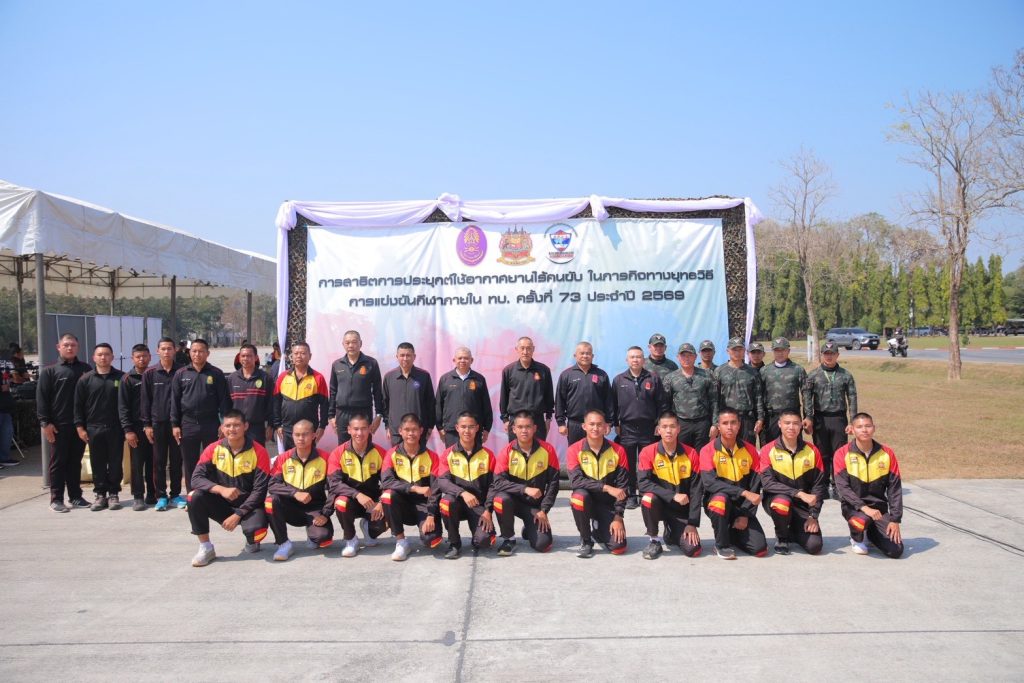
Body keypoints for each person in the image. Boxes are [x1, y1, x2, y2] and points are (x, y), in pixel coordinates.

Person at [187, 410, 270, 567]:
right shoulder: (213, 449)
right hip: (222, 504)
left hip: (250, 507)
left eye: (237, 425)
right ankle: (206, 547)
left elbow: (260, 491)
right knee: (194, 497)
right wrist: (220, 489)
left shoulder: (259, 451)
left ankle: (251, 539)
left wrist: (238, 514)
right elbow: (196, 479)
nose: (232, 429)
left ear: (245, 426)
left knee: (256, 532)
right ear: (222, 428)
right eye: (228, 425)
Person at [488, 411, 560, 556]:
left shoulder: (548, 450)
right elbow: (498, 483)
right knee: (500, 499)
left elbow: (554, 484)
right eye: (520, 427)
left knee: (543, 545)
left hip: (535, 507)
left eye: (528, 427)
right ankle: (508, 538)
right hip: (512, 503)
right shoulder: (506, 452)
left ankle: (529, 528)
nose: (524, 430)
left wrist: (544, 510)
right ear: (514, 429)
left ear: (534, 428)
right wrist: (525, 489)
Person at [699, 408, 767, 559]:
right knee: (720, 499)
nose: (729, 427)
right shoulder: (707, 450)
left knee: (760, 550)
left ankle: (731, 531)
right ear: (718, 426)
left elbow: (755, 486)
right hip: (718, 503)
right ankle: (721, 545)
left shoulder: (750, 450)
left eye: (733, 423)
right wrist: (742, 492)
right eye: (725, 423)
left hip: (743, 507)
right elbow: (710, 483)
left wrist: (745, 515)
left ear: (739, 425)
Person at [834, 413, 904, 558]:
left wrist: (895, 519)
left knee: (896, 550)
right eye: (859, 427)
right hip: (853, 508)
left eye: (868, 426)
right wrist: (865, 508)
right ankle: (857, 538)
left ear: (874, 428)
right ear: (852, 429)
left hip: (878, 510)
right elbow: (843, 488)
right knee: (861, 520)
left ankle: (871, 533)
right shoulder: (842, 453)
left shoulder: (887, 453)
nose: (864, 430)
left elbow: (894, 489)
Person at [757, 410, 826, 555]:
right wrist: (798, 493)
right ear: (779, 424)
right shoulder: (767, 450)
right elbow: (768, 484)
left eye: (795, 423)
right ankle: (782, 537)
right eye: (787, 423)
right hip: (777, 500)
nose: (791, 427)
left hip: (803, 506)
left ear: (801, 426)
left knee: (815, 546)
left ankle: (793, 529)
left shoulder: (812, 450)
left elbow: (818, 486)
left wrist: (813, 516)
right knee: (782, 503)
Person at [37, 333, 92, 512]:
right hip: (58, 426)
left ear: (78, 347)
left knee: (75, 462)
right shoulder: (50, 371)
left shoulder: (86, 369)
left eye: (73, 345)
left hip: (80, 425)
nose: (70, 348)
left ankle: (75, 496)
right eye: (66, 345)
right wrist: (45, 423)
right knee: (58, 463)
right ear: (58, 347)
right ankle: (56, 499)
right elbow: (42, 399)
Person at [266, 420, 334, 561]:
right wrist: (294, 493)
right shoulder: (283, 458)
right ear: (292, 436)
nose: (300, 438)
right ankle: (283, 543)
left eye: (305, 434)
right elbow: (272, 485)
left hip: (315, 509)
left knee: (323, 537)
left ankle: (313, 535)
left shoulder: (326, 458)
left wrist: (326, 514)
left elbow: (334, 489)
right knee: (270, 501)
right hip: (290, 508)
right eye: (297, 435)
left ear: (314, 435)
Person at [637, 413, 703, 559]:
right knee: (647, 498)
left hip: (681, 511)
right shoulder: (648, 452)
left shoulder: (691, 453)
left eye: (672, 426)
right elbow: (643, 483)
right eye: (664, 427)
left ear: (678, 429)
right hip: (659, 506)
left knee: (693, 550)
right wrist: (672, 495)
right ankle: (654, 540)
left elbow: (696, 490)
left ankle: (671, 532)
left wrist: (692, 523)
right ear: (658, 430)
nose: (668, 430)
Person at [379, 413, 442, 561]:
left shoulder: (432, 456)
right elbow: (386, 482)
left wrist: (431, 515)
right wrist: (413, 488)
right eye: (407, 430)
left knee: (431, 540)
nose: (411, 433)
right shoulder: (392, 454)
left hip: (424, 506)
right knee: (387, 495)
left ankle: (426, 529)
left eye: (414, 430)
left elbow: (436, 490)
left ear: (421, 431)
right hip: (401, 505)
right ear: (400, 431)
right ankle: (401, 542)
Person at [566, 410, 629, 558]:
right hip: (586, 501)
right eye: (592, 424)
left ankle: (598, 528)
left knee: (618, 548)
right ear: (584, 426)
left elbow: (623, 486)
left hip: (607, 505)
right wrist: (606, 487)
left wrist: (618, 517)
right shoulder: (574, 449)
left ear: (606, 427)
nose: (595, 428)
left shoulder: (618, 450)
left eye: (599, 424)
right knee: (578, 497)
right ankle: (586, 540)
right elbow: (576, 481)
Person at [171, 338, 230, 495]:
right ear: (189, 353)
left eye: (201, 351)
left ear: (207, 353)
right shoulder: (181, 374)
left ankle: (213, 493)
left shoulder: (216, 373)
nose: (197, 354)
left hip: (211, 423)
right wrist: (175, 425)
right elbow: (175, 401)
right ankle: (192, 494)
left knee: (214, 459)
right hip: (188, 423)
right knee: (189, 461)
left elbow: (224, 401)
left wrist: (224, 423)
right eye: (194, 351)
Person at [327, 412, 388, 558]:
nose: (359, 433)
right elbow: (334, 484)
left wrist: (381, 502)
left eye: (363, 428)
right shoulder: (338, 453)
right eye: (356, 429)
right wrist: (357, 494)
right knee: (340, 502)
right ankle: (351, 539)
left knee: (391, 504)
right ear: (349, 430)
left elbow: (389, 482)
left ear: (369, 429)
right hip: (351, 500)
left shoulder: (380, 452)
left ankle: (368, 528)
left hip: (373, 502)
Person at [436, 412, 496, 559]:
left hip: (478, 506)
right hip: (456, 503)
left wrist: (488, 510)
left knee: (484, 541)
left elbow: (494, 486)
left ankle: (477, 537)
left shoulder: (488, 455)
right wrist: (462, 493)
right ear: (457, 428)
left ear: (477, 428)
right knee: (446, 502)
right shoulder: (448, 454)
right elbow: (442, 482)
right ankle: (454, 543)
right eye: (463, 427)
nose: (467, 431)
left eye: (471, 427)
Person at [802, 341, 858, 500]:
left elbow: (852, 398)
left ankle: (838, 486)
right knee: (822, 454)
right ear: (822, 355)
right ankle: (823, 486)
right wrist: (808, 417)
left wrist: (852, 421)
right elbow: (807, 398)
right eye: (826, 354)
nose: (829, 356)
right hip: (820, 419)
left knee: (839, 454)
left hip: (839, 418)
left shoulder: (846, 375)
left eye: (832, 354)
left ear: (837, 355)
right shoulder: (813, 375)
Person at [611, 346, 665, 509]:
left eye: (638, 357)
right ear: (627, 360)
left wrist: (659, 424)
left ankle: (646, 493)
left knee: (647, 463)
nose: (635, 360)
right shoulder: (619, 380)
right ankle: (630, 495)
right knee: (628, 464)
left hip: (648, 428)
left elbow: (662, 404)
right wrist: (615, 424)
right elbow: (613, 405)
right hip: (627, 428)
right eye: (632, 357)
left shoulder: (653, 378)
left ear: (643, 359)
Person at [74, 344, 125, 511]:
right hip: (93, 428)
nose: (103, 357)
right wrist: (80, 427)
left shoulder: (121, 378)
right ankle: (100, 494)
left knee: (115, 462)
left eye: (107, 354)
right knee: (97, 463)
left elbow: (126, 405)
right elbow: (78, 406)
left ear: (112, 357)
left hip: (116, 428)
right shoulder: (85, 379)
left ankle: (114, 494)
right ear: (94, 357)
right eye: (100, 354)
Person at [141, 337, 184, 510]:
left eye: (169, 348)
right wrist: (147, 425)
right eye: (163, 349)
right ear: (157, 351)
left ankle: (176, 495)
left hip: (177, 425)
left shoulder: (182, 371)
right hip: (157, 424)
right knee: (158, 462)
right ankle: (161, 496)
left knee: (176, 460)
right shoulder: (150, 373)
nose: (166, 352)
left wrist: (179, 423)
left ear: (175, 350)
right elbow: (145, 401)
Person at [328, 330, 383, 447]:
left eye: (354, 342)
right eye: (347, 342)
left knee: (364, 446)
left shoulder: (371, 363)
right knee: (344, 448)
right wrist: (331, 415)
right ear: (343, 344)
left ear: (360, 343)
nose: (350, 345)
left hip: (363, 412)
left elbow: (378, 391)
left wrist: (379, 415)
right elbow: (333, 391)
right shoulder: (337, 364)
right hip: (342, 414)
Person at [272, 341, 329, 450]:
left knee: (309, 458)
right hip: (287, 430)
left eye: (303, 353)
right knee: (289, 458)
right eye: (296, 353)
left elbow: (325, 405)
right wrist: (277, 425)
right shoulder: (283, 377)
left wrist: (322, 426)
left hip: (309, 430)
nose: (299, 356)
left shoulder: (318, 378)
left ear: (310, 356)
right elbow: (276, 403)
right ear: (292, 356)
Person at [555, 341, 614, 445]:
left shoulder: (601, 375)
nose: (585, 356)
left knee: (596, 451)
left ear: (592, 356)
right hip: (575, 424)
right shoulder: (566, 375)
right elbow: (560, 400)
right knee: (575, 453)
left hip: (596, 425)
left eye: (588, 353)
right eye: (582, 353)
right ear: (575, 355)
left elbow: (608, 400)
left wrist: (608, 422)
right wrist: (561, 423)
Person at [119, 343, 155, 510]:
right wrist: (128, 430)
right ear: (132, 359)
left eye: (144, 356)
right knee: (137, 463)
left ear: (150, 357)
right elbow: (123, 407)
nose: (142, 359)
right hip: (135, 428)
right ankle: (138, 496)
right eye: (138, 357)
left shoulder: (155, 375)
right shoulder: (127, 379)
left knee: (153, 462)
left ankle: (152, 494)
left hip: (154, 427)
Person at [663, 343, 718, 452]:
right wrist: (669, 425)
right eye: (683, 355)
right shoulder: (670, 378)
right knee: (682, 455)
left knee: (702, 454)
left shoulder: (706, 375)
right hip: (681, 423)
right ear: (678, 357)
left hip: (702, 423)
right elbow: (666, 404)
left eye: (690, 355)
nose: (686, 358)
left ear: (695, 357)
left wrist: (715, 424)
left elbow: (714, 401)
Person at [499, 336, 554, 441]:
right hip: (516, 420)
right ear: (517, 349)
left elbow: (549, 395)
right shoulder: (508, 370)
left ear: (533, 349)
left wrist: (548, 418)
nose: (525, 352)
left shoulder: (543, 370)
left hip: (537, 421)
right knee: (516, 450)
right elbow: (504, 396)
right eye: (522, 348)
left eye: (528, 348)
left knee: (539, 450)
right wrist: (505, 419)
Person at [712, 337, 765, 448]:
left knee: (747, 450)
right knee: (727, 450)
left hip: (747, 419)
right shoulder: (719, 371)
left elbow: (758, 397)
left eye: (740, 349)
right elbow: (715, 399)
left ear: (744, 351)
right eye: (734, 350)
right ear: (728, 351)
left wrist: (760, 418)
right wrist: (716, 422)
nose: (737, 352)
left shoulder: (752, 372)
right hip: (727, 419)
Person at [435, 347, 493, 448]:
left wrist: (487, 429)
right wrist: (440, 428)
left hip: (474, 430)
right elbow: (438, 405)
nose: (462, 360)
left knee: (474, 457)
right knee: (453, 457)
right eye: (460, 358)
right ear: (454, 360)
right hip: (452, 430)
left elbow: (486, 405)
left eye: (466, 358)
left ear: (471, 360)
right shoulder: (445, 379)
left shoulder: (479, 379)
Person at [381, 342, 434, 447]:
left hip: (418, 432)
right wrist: (387, 426)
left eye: (408, 355)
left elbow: (430, 403)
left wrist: (430, 427)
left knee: (418, 457)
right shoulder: (389, 377)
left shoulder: (424, 376)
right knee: (397, 457)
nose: (405, 358)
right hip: (396, 431)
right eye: (402, 355)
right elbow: (385, 404)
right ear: (397, 357)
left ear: (414, 357)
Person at [760, 337, 808, 445]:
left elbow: (806, 394)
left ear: (788, 351)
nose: (780, 353)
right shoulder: (765, 371)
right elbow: (759, 396)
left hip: (792, 416)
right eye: (777, 350)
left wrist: (808, 416)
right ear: (773, 351)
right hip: (771, 417)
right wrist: (760, 417)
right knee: (771, 447)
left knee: (794, 446)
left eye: (783, 350)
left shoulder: (798, 370)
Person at [228, 343, 273, 446]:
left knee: (256, 454)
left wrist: (270, 425)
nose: (245, 358)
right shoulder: (232, 378)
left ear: (256, 358)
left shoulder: (265, 378)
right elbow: (227, 404)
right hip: (236, 427)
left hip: (257, 428)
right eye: (243, 356)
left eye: (249, 356)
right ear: (239, 358)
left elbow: (271, 403)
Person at [0, 361, 18, 468]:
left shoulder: (6, 363)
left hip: (5, 406)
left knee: (7, 433)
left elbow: (16, 379)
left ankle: (4, 458)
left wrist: (13, 378)